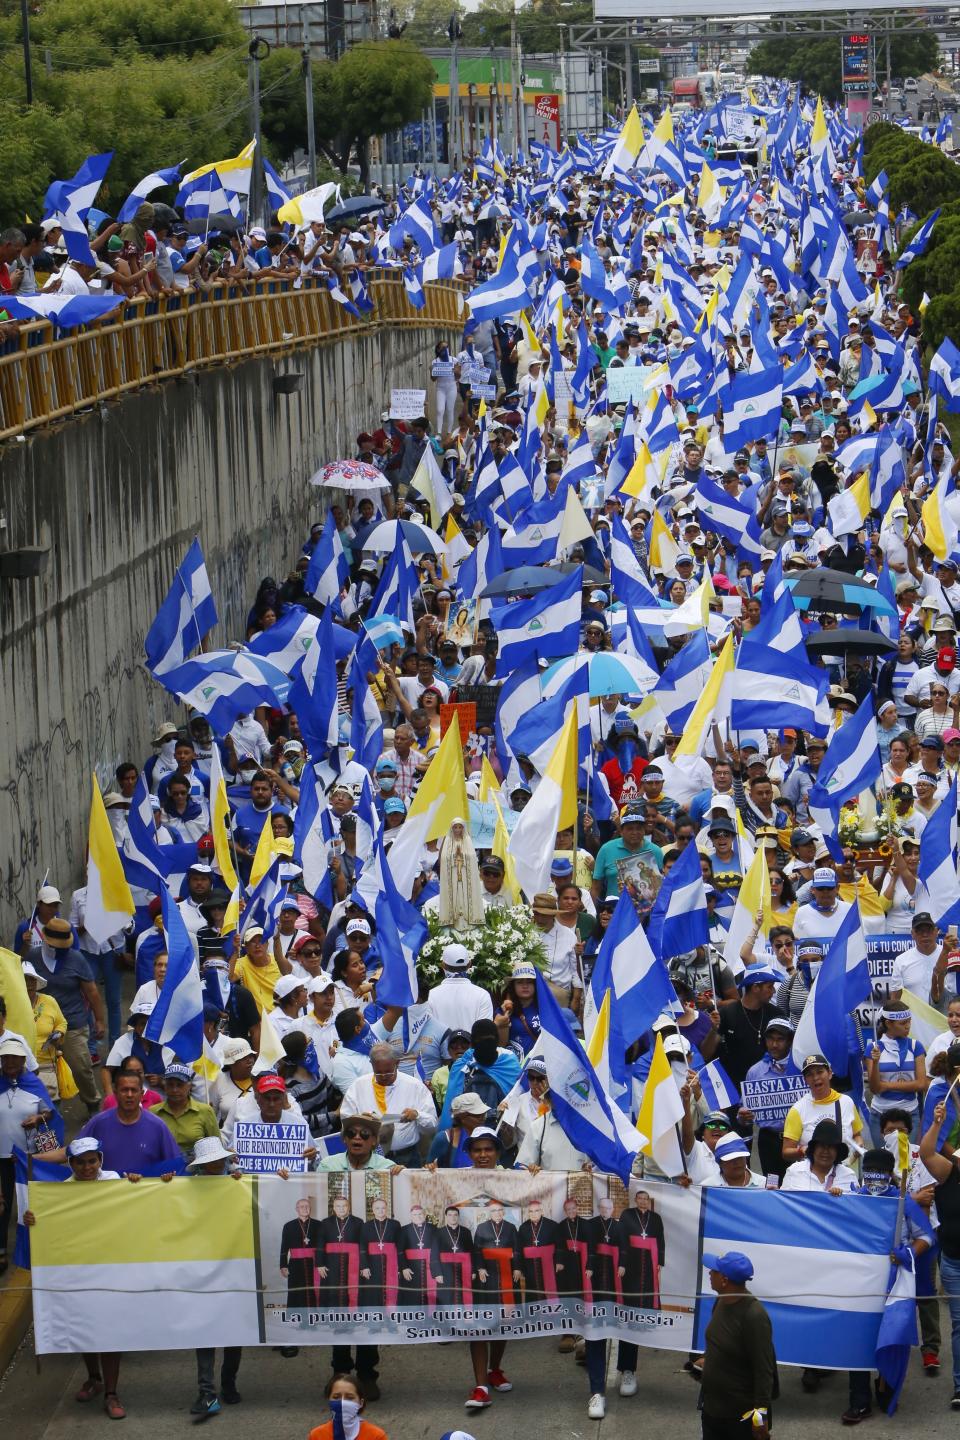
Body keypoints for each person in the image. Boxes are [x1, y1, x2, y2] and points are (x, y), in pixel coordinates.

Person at [22, 1136, 126, 1419]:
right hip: (78, 1271)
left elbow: (136, 1206)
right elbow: (50, 1224)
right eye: (80, 1162)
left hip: (111, 1269)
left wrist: (139, 1182)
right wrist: (34, 1218)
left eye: (92, 1161)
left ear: (100, 1161)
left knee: (109, 1333)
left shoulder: (115, 1181)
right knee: (85, 1328)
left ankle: (111, 1393)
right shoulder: (61, 1193)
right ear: (71, 1164)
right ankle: (94, 1378)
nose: (87, 1167)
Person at [186, 1135, 244, 1415]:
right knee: (205, 1330)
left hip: (235, 1264)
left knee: (235, 1329)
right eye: (208, 1161)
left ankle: (228, 1383)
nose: (214, 1164)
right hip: (203, 1268)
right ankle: (206, 1391)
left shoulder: (238, 1181)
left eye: (217, 1159)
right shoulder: (186, 1188)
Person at [26, 915, 105, 1113]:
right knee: (39, 1070)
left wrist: (100, 1020)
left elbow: (92, 991)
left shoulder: (76, 958)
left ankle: (92, 1102)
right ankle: (46, 1111)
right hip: (40, 1023)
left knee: (81, 1067)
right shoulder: (33, 957)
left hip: (73, 1022)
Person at [699, 1250, 778, 1440]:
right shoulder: (721, 1300)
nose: (710, 1273)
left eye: (714, 1271)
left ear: (725, 1280)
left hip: (737, 1417)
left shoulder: (754, 1316)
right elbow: (718, 1340)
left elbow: (764, 1370)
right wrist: (708, 1360)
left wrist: (760, 1419)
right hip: (712, 1408)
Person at [339, 1042, 437, 1167]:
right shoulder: (358, 1086)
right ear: (371, 1065)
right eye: (378, 1073)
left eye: (388, 1072)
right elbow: (346, 1121)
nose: (384, 1076)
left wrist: (418, 1115)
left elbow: (433, 1125)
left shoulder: (415, 1086)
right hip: (370, 1159)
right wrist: (361, 1120)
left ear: (397, 1063)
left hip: (407, 1157)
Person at [77, 1069, 181, 1176]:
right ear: (115, 1093)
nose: (129, 1095)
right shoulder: (98, 1123)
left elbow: (174, 1165)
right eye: (124, 1090)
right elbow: (75, 1151)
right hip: (108, 1191)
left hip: (146, 1191)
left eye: (134, 1090)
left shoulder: (158, 1126)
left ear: (141, 1094)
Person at [781, 1052, 864, 1161]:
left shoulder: (847, 1102)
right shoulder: (798, 1109)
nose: (815, 1077)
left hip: (845, 1171)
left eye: (820, 1072)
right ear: (805, 1080)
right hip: (811, 1173)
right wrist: (801, 1150)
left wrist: (859, 1144)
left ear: (829, 1073)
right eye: (809, 1074)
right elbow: (786, 1152)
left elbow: (856, 1135)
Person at [306, 1373, 388, 1440]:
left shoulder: (376, 1436)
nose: (343, 1402)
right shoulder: (316, 1435)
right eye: (336, 1397)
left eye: (349, 1397)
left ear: (361, 1403)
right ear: (329, 1400)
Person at [280, 1195, 323, 1310]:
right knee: (298, 1291)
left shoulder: (319, 1225)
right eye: (302, 1206)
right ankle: (301, 1319)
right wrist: (283, 1265)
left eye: (307, 1206)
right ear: (297, 1209)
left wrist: (322, 1263)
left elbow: (322, 1247)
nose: (305, 1209)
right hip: (295, 1264)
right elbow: (284, 1248)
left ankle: (314, 1319)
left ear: (310, 1208)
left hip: (314, 1263)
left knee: (314, 1290)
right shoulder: (289, 1226)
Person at [360, 1197, 403, 1308]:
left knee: (391, 1289)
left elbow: (400, 1246)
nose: (380, 1211)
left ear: (386, 1209)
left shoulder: (395, 1224)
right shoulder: (366, 1226)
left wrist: (400, 1266)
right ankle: (374, 1318)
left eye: (383, 1208)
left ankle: (390, 1317)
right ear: (373, 1210)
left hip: (391, 1263)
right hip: (372, 1264)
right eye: (377, 1208)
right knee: (373, 1291)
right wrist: (364, 1266)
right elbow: (362, 1247)